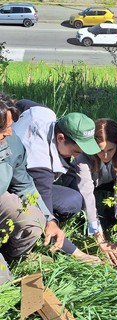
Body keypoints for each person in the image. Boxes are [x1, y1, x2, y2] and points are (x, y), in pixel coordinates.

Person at [12, 100, 102, 264]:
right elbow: (46, 218)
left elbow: (22, 103)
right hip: (13, 188)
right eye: (75, 151)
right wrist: (79, 255)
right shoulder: (40, 165)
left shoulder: (44, 113)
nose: (76, 156)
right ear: (60, 138)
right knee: (72, 201)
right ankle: (22, 246)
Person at [0, 93, 64, 285]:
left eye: (10, 127)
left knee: (33, 220)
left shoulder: (11, 144)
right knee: (4, 283)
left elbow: (24, 185)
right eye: (4, 129)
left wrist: (49, 219)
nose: (10, 133)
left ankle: (11, 257)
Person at [65, 118, 117, 266]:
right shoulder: (83, 158)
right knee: (79, 199)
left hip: (106, 181)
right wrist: (99, 238)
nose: (106, 156)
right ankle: (90, 222)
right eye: (101, 151)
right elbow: (87, 193)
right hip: (80, 183)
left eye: (110, 150)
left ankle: (113, 215)